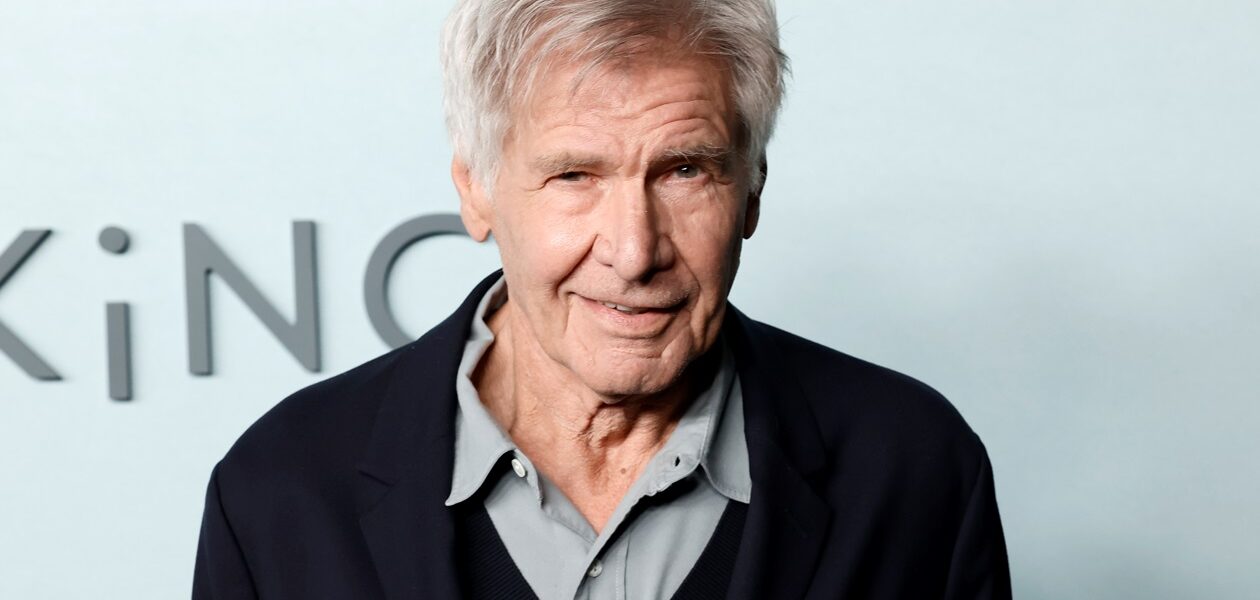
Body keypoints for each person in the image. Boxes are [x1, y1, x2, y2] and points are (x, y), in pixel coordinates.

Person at [193, 0, 1011, 598]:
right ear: (475, 191)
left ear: (752, 188)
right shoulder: (282, 491)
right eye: (575, 175)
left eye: (685, 170)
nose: (634, 250)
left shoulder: (913, 467)